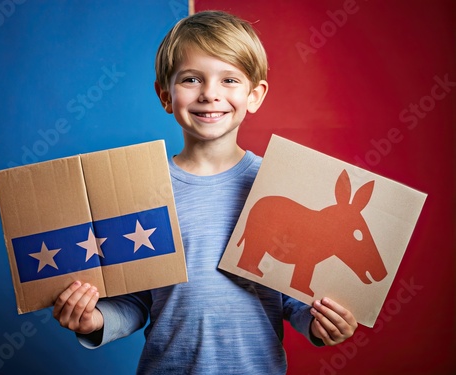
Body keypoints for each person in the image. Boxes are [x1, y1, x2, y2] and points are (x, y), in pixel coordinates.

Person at [53, 10, 358, 374]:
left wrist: (321, 322)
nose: (210, 94)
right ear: (165, 95)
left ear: (254, 95)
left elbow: (293, 293)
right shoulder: (142, 190)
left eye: (229, 79)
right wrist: (95, 319)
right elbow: (137, 299)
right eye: (192, 79)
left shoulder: (279, 185)